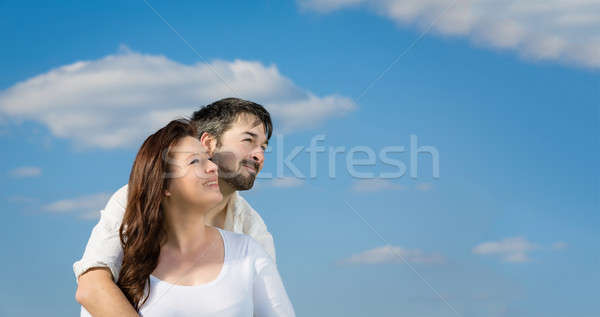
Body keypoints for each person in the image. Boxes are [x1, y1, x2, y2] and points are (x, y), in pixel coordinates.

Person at [74, 98, 287, 316]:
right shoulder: (134, 198)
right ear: (209, 144)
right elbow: (92, 287)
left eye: (263, 147)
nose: (259, 155)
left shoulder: (252, 231)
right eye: (248, 141)